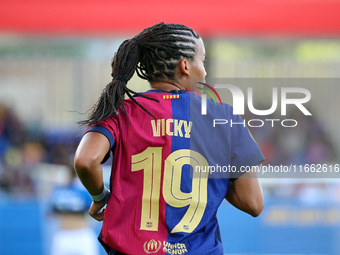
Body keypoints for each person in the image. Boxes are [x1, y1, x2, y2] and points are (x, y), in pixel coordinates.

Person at [74, 22, 264, 255]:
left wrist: (100, 196)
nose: (204, 71)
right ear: (185, 66)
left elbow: (85, 160)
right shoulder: (224, 118)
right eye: (201, 61)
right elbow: (253, 203)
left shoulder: (121, 110)